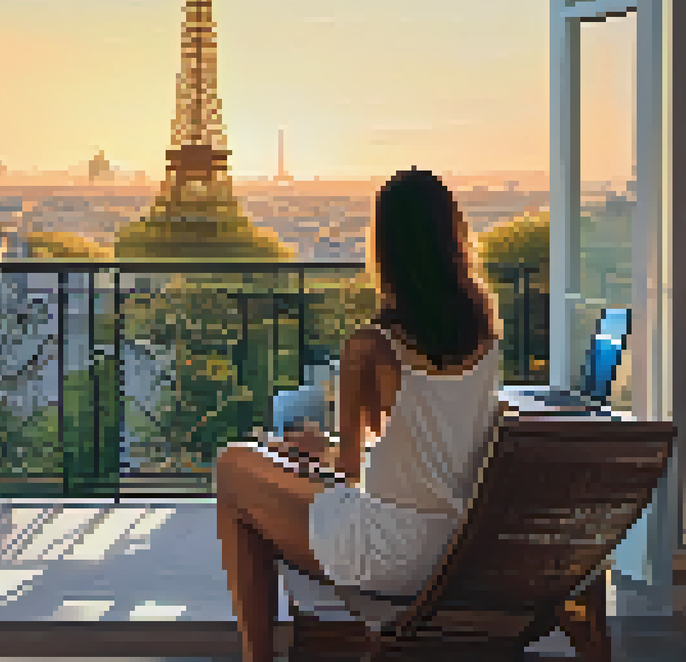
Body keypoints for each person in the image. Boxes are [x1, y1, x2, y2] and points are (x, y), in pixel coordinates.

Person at [213, 167, 503, 662]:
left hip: (390, 551)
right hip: (459, 546)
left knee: (234, 466)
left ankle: (257, 657)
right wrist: (319, 455)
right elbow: (417, 445)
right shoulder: (486, 334)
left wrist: (310, 455)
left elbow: (348, 472)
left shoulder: (371, 345)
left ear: (386, 247)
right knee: (262, 487)